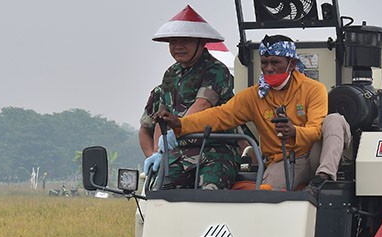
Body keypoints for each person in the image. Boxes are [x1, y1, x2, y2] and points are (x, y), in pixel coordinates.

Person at [155, 34, 349, 192]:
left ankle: (323, 178)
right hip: (282, 160)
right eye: (264, 63)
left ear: (291, 64)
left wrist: (294, 131)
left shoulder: (313, 89)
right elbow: (220, 115)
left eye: (275, 62)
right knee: (266, 196)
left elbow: (316, 130)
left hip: (314, 154)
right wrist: (181, 123)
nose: (269, 68)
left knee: (334, 120)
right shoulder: (253, 95)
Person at [139, 5, 238, 190]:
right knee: (158, 192)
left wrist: (178, 128)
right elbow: (162, 116)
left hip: (215, 152)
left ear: (201, 43)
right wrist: (158, 152)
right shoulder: (171, 73)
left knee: (209, 193)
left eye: (185, 41)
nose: (178, 47)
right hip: (179, 155)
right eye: (173, 42)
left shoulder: (216, 70)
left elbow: (202, 105)